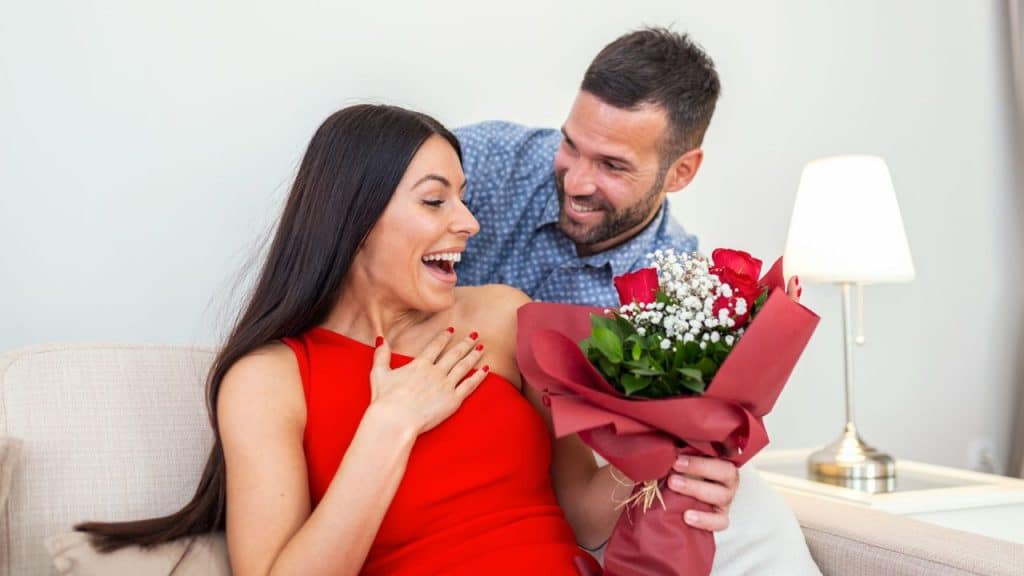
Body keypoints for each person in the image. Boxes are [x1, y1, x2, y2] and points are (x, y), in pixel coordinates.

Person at [74, 104, 732, 575]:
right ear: (356, 219)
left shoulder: (506, 317)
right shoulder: (268, 379)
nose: (468, 222)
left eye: (463, 198)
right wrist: (391, 423)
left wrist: (670, 465)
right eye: (435, 201)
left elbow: (583, 514)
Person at [453, 27, 818, 573]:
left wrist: (695, 468)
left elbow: (615, 477)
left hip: (556, 485)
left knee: (754, 512)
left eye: (612, 165)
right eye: (571, 145)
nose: (576, 181)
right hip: (441, 435)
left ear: (682, 172)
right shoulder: (479, 165)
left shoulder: (676, 299)